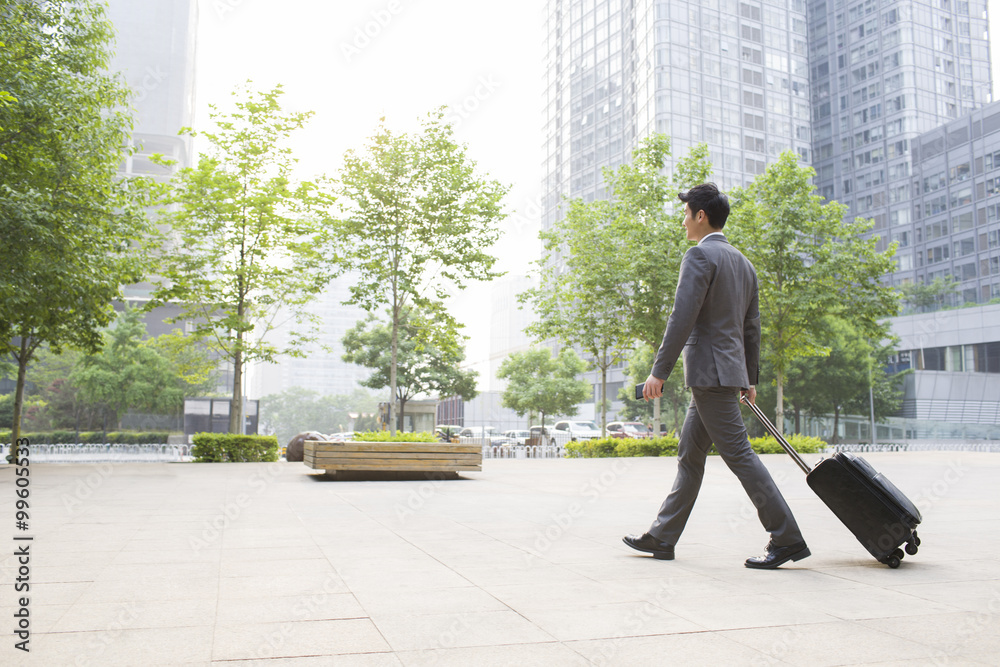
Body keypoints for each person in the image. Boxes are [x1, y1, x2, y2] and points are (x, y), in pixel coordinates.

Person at [623, 183, 809, 569]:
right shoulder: (743, 263)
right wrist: (749, 378)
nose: (683, 219)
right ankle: (662, 536)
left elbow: (682, 317)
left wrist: (659, 371)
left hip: (709, 374)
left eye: (686, 212)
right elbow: (751, 328)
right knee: (690, 455)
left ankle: (786, 537)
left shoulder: (699, 257)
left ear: (700, 215)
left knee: (739, 455)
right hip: (725, 373)